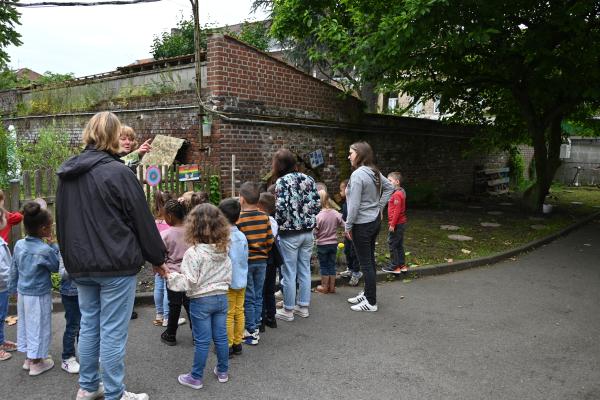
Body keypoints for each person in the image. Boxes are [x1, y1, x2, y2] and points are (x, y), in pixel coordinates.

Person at [56, 111, 166, 400]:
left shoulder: (68, 173)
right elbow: (142, 219)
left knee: (90, 325)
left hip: (81, 265)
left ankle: (88, 387)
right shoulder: (119, 172)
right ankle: (115, 393)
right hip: (115, 264)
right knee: (113, 332)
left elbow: (62, 220)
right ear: (114, 135)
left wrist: (69, 260)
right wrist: (158, 258)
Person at [166, 204, 232, 390]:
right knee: (221, 337)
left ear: (193, 226)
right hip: (221, 297)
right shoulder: (223, 249)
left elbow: (189, 281)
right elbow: (229, 273)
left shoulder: (193, 253)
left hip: (201, 300)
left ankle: (195, 377)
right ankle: (222, 371)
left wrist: (170, 277)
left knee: (202, 341)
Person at [9, 201, 60, 376]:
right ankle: (37, 363)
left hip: (23, 294)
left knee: (26, 325)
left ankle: (29, 358)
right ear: (44, 229)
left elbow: (13, 269)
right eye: (50, 227)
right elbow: (55, 267)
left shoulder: (19, 245)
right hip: (38, 295)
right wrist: (53, 245)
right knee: (39, 326)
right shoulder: (44, 250)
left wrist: (12, 290)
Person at [272, 149, 320, 322]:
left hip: (289, 234)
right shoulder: (308, 179)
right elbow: (316, 204)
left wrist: (278, 224)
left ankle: (288, 309)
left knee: (289, 272)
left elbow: (281, 208)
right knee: (305, 270)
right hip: (308, 232)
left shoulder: (281, 182)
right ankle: (303, 306)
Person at [345, 141, 394, 312]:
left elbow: (354, 205)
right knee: (369, 261)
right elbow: (389, 187)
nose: (348, 156)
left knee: (366, 263)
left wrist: (347, 226)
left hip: (362, 225)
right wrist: (379, 207)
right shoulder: (374, 172)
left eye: (351, 153)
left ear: (359, 154)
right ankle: (367, 293)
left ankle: (371, 302)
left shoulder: (358, 175)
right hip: (373, 222)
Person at [236, 182, 273, 345]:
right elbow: (270, 240)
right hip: (262, 261)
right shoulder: (264, 217)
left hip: (247, 262)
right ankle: (256, 325)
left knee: (249, 296)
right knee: (258, 295)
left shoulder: (240, 218)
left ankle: (251, 331)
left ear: (242, 199)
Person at [218, 198, 249, 357]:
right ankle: (238, 343)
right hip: (242, 280)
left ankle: (228, 345)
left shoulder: (224, 238)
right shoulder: (242, 236)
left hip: (229, 282)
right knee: (239, 311)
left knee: (229, 314)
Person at [160, 199, 192, 346]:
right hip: (190, 274)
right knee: (191, 304)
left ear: (170, 216)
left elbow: (161, 255)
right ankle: (197, 335)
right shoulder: (192, 232)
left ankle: (171, 334)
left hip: (173, 276)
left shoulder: (166, 235)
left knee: (174, 305)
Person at [314, 189, 344, 294]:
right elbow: (343, 224)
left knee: (323, 265)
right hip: (333, 243)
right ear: (328, 199)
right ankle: (332, 287)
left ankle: (324, 287)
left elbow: (315, 231)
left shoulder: (318, 217)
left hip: (322, 245)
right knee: (332, 264)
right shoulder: (335, 213)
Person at [258, 192, 280, 330]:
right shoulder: (273, 221)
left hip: (262, 259)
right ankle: (271, 317)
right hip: (272, 259)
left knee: (260, 291)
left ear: (260, 207)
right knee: (269, 290)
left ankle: (260, 321)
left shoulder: (263, 220)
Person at [153, 190, 173, 327]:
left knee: (158, 287)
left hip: (157, 257)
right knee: (167, 288)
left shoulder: (154, 222)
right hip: (169, 259)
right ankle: (167, 317)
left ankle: (159, 315)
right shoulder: (171, 222)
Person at [382, 172, 408, 274]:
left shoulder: (397, 194)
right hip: (400, 223)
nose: (388, 183)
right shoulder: (400, 192)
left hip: (396, 224)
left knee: (392, 244)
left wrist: (392, 224)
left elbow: (397, 211)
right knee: (399, 244)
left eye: (390, 181)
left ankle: (394, 267)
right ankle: (402, 265)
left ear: (397, 182)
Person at [59, 254, 81, 374]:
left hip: (85, 290)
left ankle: (84, 354)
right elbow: (62, 273)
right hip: (71, 293)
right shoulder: (65, 248)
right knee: (72, 326)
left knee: (85, 326)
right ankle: (67, 358)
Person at [0, 207, 16, 361]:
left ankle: (1, 341)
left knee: (2, 315)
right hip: (1, 286)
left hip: (3, 287)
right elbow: (2, 271)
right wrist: (12, 281)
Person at [338, 179, 361, 285]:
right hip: (347, 233)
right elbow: (344, 219)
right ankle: (350, 269)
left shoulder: (354, 203)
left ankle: (356, 273)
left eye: (341, 190)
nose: (340, 192)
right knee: (347, 251)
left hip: (354, 233)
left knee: (354, 252)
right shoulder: (345, 204)